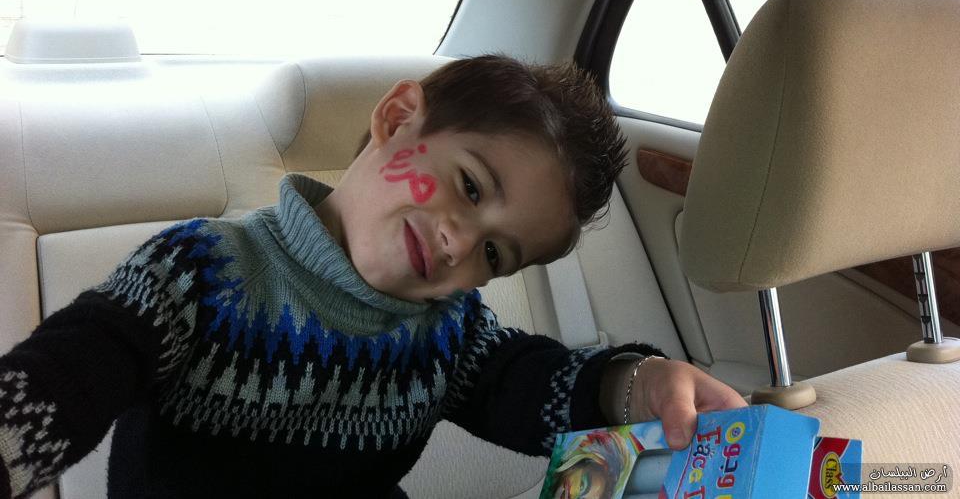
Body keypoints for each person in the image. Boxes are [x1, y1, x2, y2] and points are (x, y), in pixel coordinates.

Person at [0, 55, 744, 499]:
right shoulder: (201, 273)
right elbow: (70, 375)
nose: (460, 241)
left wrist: (636, 385)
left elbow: (530, 384)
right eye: (470, 186)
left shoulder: (446, 333)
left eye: (495, 255)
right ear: (396, 117)